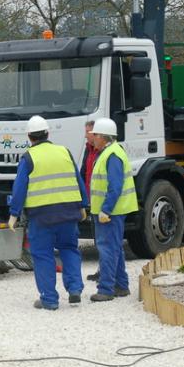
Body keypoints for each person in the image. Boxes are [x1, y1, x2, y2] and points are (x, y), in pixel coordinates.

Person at [8, 115, 89, 310]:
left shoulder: (28, 158)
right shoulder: (65, 152)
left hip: (41, 217)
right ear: (47, 133)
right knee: (69, 249)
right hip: (69, 214)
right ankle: (75, 290)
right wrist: (83, 206)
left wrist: (14, 214)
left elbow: (20, 189)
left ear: (29, 136)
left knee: (43, 255)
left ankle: (49, 299)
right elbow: (78, 179)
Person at [86, 118, 139, 302]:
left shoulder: (112, 155)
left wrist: (105, 210)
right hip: (112, 211)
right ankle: (121, 286)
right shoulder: (111, 152)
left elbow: (114, 186)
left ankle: (106, 289)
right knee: (114, 247)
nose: (93, 139)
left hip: (111, 212)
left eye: (96, 135)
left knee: (107, 248)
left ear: (103, 136)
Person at [81, 120, 101, 282]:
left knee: (105, 241)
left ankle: (107, 273)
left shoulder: (103, 152)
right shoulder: (88, 150)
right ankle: (102, 269)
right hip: (92, 201)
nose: (85, 135)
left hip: (102, 203)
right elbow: (83, 173)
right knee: (98, 239)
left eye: (88, 131)